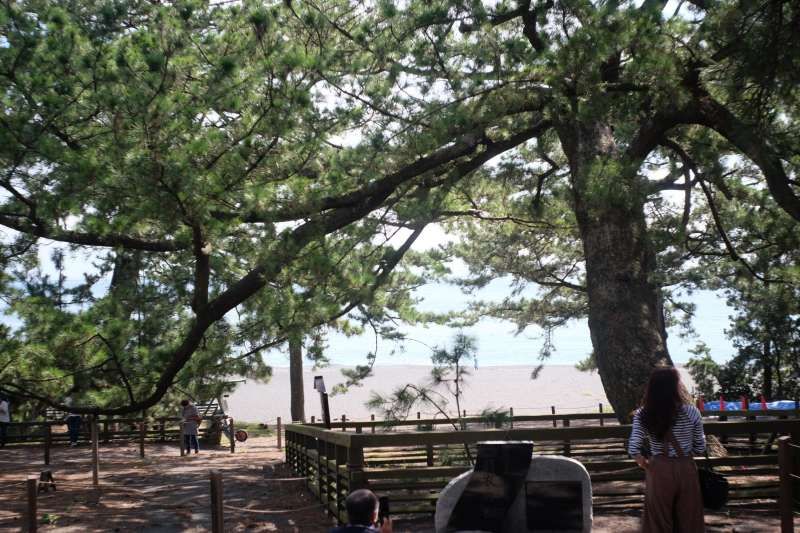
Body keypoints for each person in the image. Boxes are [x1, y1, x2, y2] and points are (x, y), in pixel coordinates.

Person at [628, 367, 706, 532]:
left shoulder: (643, 414)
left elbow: (634, 447)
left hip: (659, 469)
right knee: (689, 519)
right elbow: (700, 447)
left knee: (658, 520)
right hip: (686, 468)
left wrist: (644, 464)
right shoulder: (692, 412)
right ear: (675, 387)